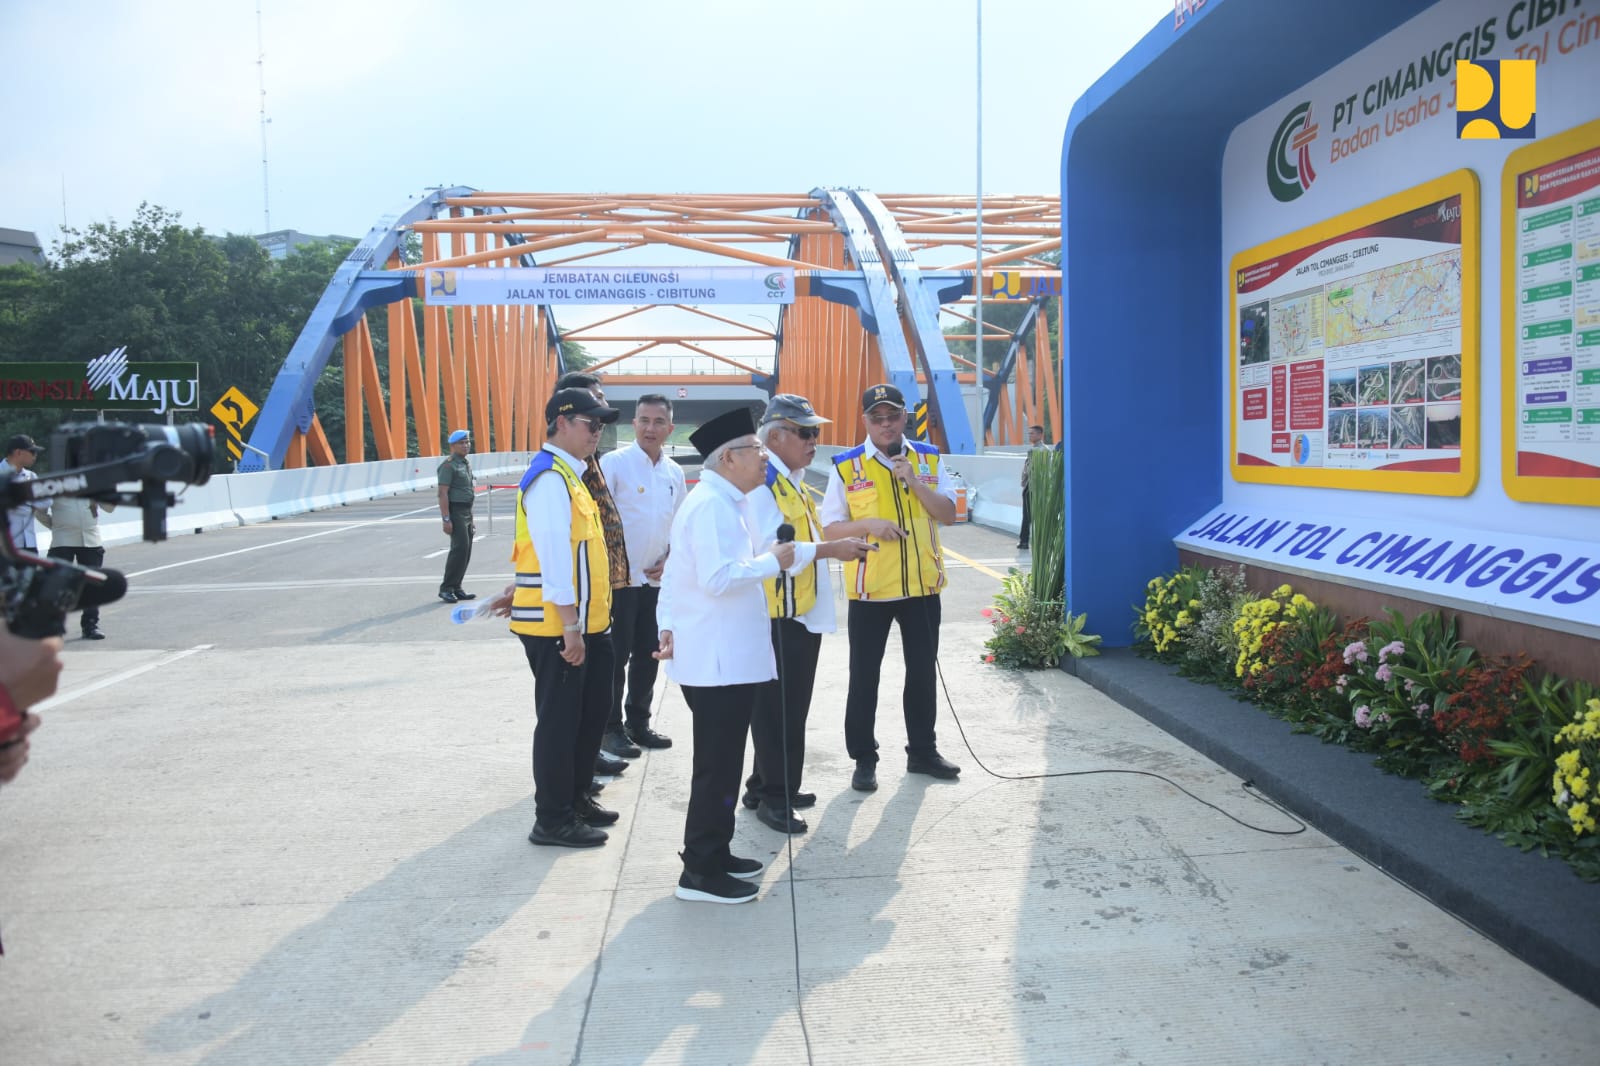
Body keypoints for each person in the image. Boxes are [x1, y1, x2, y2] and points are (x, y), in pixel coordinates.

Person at [655, 406, 796, 903]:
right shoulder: (713, 505)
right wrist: (770, 561)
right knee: (717, 765)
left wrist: (665, 625)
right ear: (729, 457)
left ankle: (716, 853)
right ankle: (699, 870)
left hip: (721, 659)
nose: (764, 458)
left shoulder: (721, 500)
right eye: (757, 450)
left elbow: (675, 575)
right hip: (719, 665)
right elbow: (718, 578)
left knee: (723, 762)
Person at [488, 388, 622, 848]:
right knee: (560, 723)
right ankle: (553, 818)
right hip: (558, 628)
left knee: (589, 719)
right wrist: (570, 627)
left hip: (587, 623)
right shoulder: (550, 478)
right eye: (591, 424)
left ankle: (577, 797)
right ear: (561, 423)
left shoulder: (572, 474)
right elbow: (552, 561)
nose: (597, 433)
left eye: (602, 426)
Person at [741, 394, 872, 834]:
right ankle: (776, 798)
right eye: (805, 432)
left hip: (797, 612)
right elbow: (771, 551)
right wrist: (833, 549)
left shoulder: (790, 478)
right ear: (774, 436)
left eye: (815, 432)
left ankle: (764, 784)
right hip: (776, 614)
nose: (814, 440)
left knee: (786, 708)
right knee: (780, 711)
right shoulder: (763, 483)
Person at [821, 384, 961, 793]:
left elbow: (949, 514)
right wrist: (869, 524)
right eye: (876, 418)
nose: (885, 425)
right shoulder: (847, 466)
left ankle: (923, 751)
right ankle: (864, 757)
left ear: (904, 417)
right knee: (864, 676)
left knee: (922, 673)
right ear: (865, 421)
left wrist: (914, 482)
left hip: (921, 587)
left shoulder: (928, 458)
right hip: (872, 590)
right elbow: (830, 527)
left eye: (892, 416)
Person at [554, 372, 637, 771]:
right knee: (583, 684)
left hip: (610, 581)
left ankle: (595, 745)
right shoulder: (562, 470)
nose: (600, 422)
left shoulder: (586, 460)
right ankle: (592, 748)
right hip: (582, 592)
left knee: (609, 667)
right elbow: (553, 544)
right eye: (594, 405)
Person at [598, 393, 683, 755]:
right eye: (644, 420)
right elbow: (599, 521)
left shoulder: (674, 472)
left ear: (670, 427)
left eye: (658, 421)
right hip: (619, 583)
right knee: (614, 659)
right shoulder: (613, 464)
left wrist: (671, 558)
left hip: (656, 583)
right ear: (633, 424)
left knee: (650, 655)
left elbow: (679, 525)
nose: (651, 428)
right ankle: (610, 728)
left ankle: (639, 721)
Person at [46, 496, 115, 640]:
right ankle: (52, 627)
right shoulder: (57, 484)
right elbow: (39, 510)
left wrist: (101, 490)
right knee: (57, 585)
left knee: (92, 585)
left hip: (91, 540)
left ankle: (90, 626)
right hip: (62, 540)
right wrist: (55, 526)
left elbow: (110, 509)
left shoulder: (93, 484)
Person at [436, 429, 477, 603]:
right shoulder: (449, 465)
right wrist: (446, 519)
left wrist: (472, 518)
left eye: (467, 442)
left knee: (466, 551)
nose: (466, 445)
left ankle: (457, 587)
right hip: (456, 512)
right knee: (458, 550)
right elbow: (442, 494)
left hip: (466, 511)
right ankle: (446, 588)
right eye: (462, 443)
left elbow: (469, 492)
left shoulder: (465, 463)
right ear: (452, 446)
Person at [1, 434, 50, 552]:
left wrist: (19, 501)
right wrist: (30, 501)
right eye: (32, 452)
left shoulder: (31, 476)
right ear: (18, 452)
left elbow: (46, 501)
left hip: (29, 543)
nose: (35, 456)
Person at [1019, 424, 1046, 550]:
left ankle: (1025, 541)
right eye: (1029, 433)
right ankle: (1028, 541)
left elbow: (1032, 469)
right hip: (1032, 486)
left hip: (1035, 486)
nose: (1030, 435)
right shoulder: (1037, 449)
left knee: (1029, 515)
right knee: (1029, 515)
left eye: (1032, 433)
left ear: (1040, 435)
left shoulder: (1040, 450)